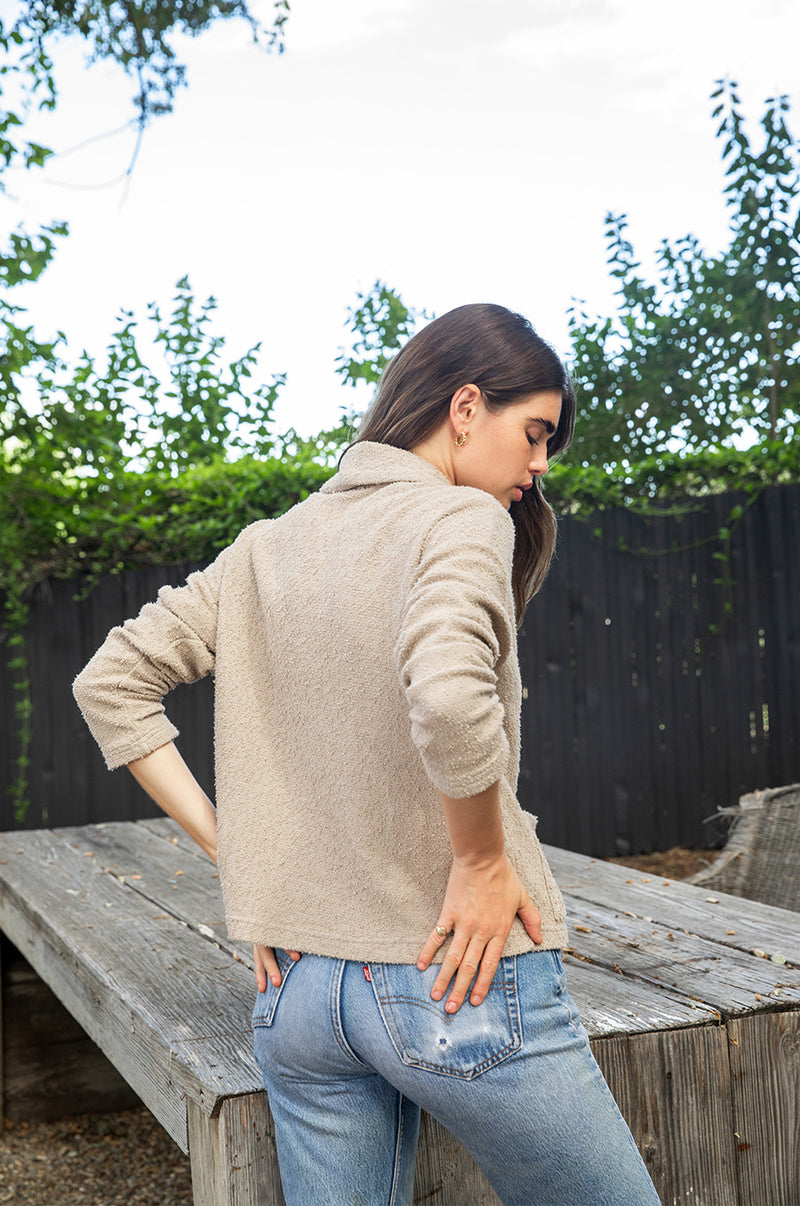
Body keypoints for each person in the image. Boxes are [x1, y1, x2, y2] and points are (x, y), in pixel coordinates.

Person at [73, 304, 661, 1206]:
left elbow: (109, 682)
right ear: (466, 407)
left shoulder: (267, 545)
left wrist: (249, 863)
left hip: (300, 998)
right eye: (535, 432)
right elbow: (451, 697)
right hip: (454, 982)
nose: (540, 465)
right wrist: (480, 857)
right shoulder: (459, 521)